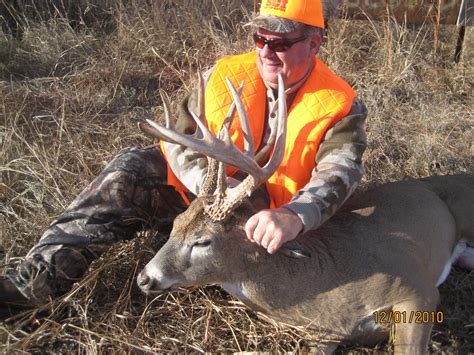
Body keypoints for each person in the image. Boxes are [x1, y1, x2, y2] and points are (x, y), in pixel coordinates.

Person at [1, 0, 367, 308]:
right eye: (260, 38)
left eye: (281, 43)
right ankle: (37, 281)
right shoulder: (223, 76)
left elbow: (339, 171)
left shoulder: (339, 104)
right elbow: (180, 139)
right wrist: (206, 185)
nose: (266, 52)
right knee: (129, 168)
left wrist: (295, 215)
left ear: (314, 44)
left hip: (265, 225)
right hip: (197, 197)